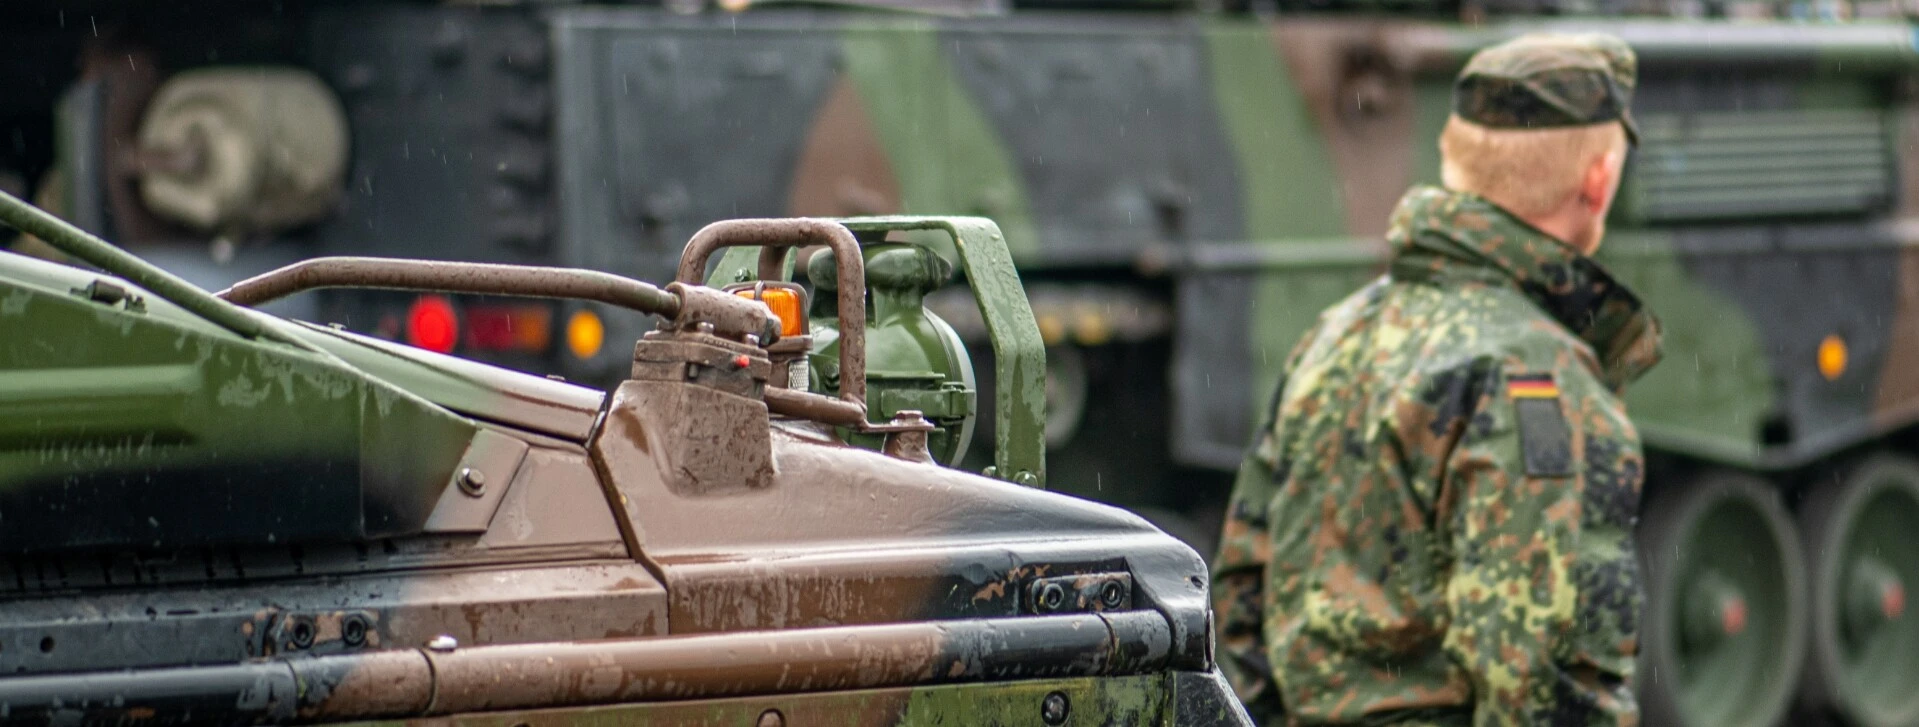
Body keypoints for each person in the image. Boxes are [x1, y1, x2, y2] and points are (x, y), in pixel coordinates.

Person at [1211, 32, 1665, 726]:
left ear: (1454, 162)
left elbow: (1243, 593)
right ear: (1598, 178)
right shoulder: (1535, 376)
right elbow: (1540, 679)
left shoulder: (1340, 331)